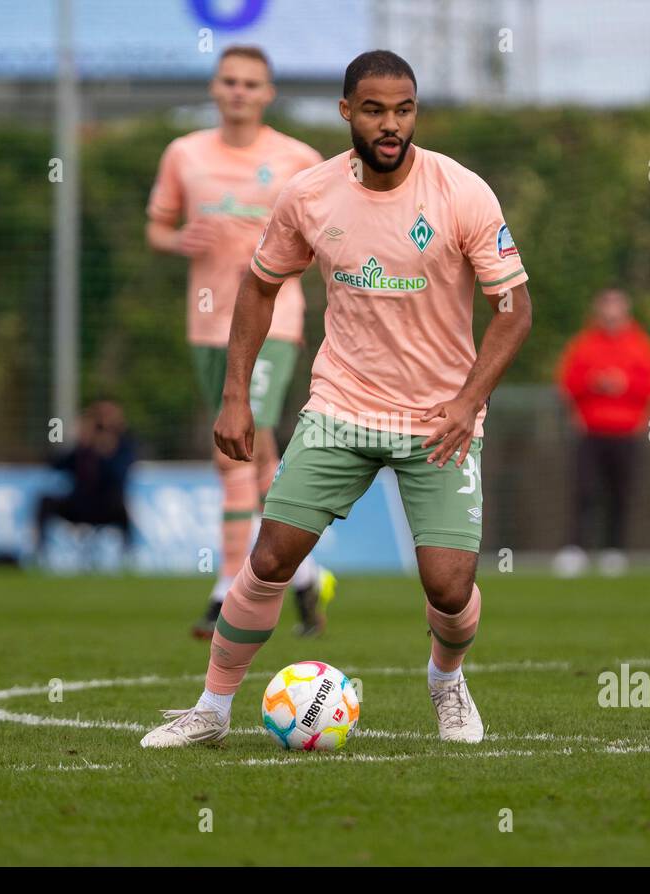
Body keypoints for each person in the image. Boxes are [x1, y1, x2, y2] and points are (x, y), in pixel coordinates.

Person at [141, 50, 532, 749]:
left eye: (404, 109)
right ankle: (210, 708)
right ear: (347, 111)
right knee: (269, 560)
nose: (391, 124)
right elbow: (260, 285)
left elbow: (515, 310)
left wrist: (467, 401)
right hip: (341, 409)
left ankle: (448, 682)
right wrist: (236, 396)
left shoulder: (463, 192)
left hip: (439, 418)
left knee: (448, 587)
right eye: (376, 110)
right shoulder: (309, 194)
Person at [145, 45, 334, 639]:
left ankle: (228, 586)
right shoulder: (185, 153)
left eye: (251, 83)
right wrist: (180, 241)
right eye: (229, 81)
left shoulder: (298, 160)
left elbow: (335, 232)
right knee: (254, 452)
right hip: (207, 323)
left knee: (235, 450)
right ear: (214, 86)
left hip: (273, 322)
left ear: (268, 92)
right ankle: (305, 578)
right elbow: (157, 226)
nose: (239, 92)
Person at [552, 290, 650, 577]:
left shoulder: (641, 346)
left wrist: (623, 384)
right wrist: (593, 383)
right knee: (585, 490)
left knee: (621, 493)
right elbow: (567, 382)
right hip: (590, 431)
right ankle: (576, 549)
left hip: (626, 433)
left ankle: (614, 550)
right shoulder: (584, 345)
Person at [34, 401, 136, 558]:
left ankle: (128, 556)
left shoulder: (123, 447)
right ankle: (40, 553)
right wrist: (63, 436)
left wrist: (106, 451)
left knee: (123, 507)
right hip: (80, 504)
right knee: (45, 501)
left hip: (106, 505)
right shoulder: (82, 449)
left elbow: (119, 475)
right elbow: (55, 463)